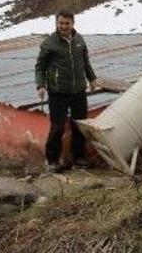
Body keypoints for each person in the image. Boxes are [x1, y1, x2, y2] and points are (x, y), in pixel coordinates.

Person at [35, 10, 98, 173]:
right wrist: (40, 85)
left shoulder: (79, 40)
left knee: (79, 125)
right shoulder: (49, 43)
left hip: (78, 90)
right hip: (58, 91)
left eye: (67, 23)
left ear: (73, 23)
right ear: (56, 23)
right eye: (61, 23)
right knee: (57, 127)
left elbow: (85, 62)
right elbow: (40, 67)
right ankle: (52, 161)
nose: (64, 26)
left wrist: (92, 79)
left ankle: (79, 158)